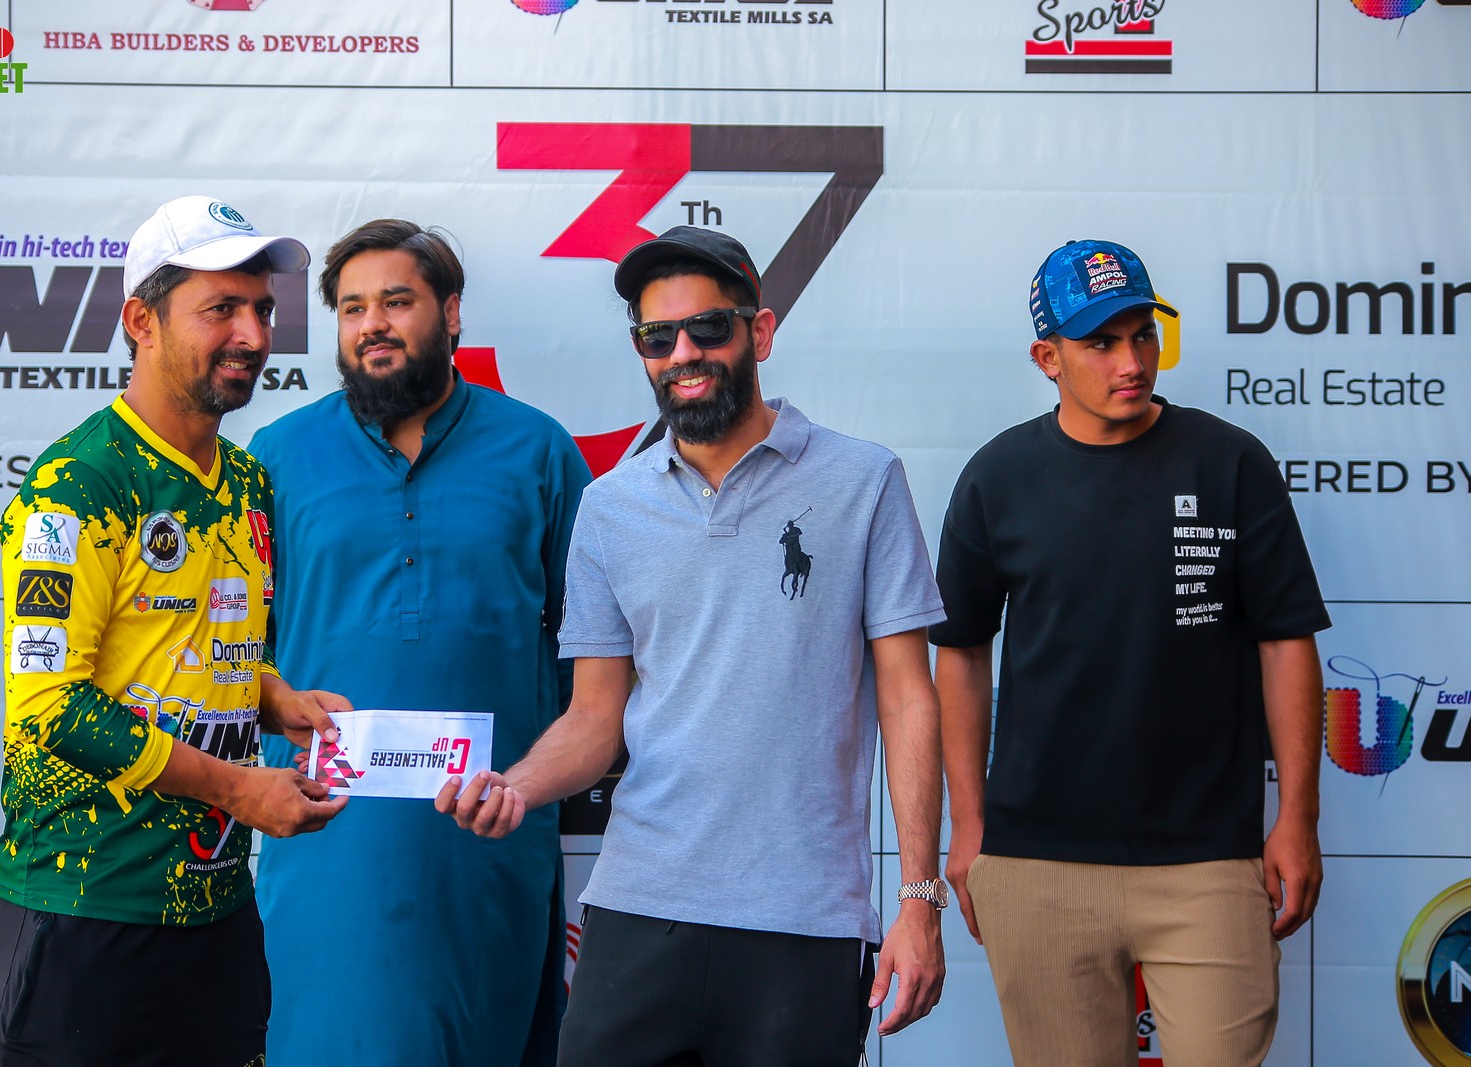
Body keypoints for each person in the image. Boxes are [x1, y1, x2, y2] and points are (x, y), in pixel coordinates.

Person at [439, 225, 949, 1066]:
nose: (683, 353)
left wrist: (919, 896)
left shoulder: (864, 480)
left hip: (805, 921)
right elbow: (595, 717)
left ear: (760, 331)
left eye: (708, 327)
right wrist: (514, 785)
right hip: (638, 910)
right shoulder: (609, 508)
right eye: (657, 336)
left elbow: (907, 696)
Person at [930, 239, 1329, 1067]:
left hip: (1210, 862)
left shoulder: (1231, 461)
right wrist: (968, 825)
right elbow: (960, 652)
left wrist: (1297, 817)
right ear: (1048, 358)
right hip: (1037, 863)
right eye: (1101, 342)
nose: (1132, 360)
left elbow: (1285, 639)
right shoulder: (997, 476)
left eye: (1143, 334)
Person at [0, 195, 348, 1067]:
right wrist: (237, 789)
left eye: (261, 309)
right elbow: (49, 704)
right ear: (141, 321)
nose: (253, 335)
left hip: (217, 909)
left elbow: (204, 651)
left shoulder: (248, 481)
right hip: (85, 903)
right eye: (221, 308)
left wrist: (277, 698)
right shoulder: (78, 483)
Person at [249, 219, 591, 1066]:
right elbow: (236, 651)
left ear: (451, 312)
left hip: (484, 840)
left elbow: (593, 656)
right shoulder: (276, 456)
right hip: (328, 844)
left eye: (397, 301)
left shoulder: (539, 451)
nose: (373, 324)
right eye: (352, 308)